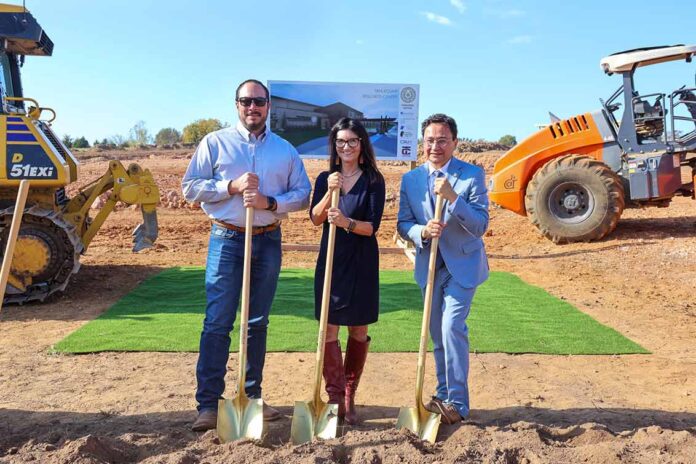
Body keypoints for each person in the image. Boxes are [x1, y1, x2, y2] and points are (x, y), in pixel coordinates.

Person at [182, 79, 312, 431]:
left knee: (257, 323)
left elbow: (303, 193)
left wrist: (271, 202)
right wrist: (230, 187)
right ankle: (208, 404)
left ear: (269, 106)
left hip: (267, 240)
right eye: (245, 101)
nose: (252, 107)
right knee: (218, 322)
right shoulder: (215, 143)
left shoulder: (284, 150)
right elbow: (190, 188)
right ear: (236, 105)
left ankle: (251, 396)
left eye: (259, 101)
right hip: (227, 239)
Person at [396, 113, 489, 424]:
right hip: (430, 263)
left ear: (455, 143)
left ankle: (459, 404)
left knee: (451, 327)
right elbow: (403, 223)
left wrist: (453, 198)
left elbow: (480, 225)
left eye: (442, 140)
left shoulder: (472, 174)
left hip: (463, 264)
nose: (435, 146)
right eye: (430, 140)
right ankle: (443, 394)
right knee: (436, 331)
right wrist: (421, 232)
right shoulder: (410, 179)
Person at [309, 117, 385, 424]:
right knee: (328, 328)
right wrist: (330, 191)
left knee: (359, 328)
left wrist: (347, 223)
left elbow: (372, 227)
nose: (346, 146)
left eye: (352, 141)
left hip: (362, 260)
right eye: (341, 142)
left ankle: (351, 393)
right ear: (334, 146)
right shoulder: (325, 178)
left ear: (362, 144)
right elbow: (315, 218)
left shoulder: (374, 180)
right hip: (332, 259)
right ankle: (336, 397)